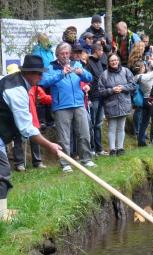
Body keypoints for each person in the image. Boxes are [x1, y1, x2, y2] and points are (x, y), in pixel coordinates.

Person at [0, 55, 62, 219]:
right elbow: (27, 129)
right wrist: (50, 145)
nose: (41, 77)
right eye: (39, 73)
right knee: (1, 167)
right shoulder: (17, 90)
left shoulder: (14, 79)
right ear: (29, 73)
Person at [40, 42, 94, 173]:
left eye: (67, 53)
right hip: (61, 106)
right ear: (57, 54)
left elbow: (90, 77)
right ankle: (65, 163)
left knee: (84, 133)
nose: (65, 56)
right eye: (62, 53)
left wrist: (82, 73)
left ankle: (86, 159)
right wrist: (61, 74)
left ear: (70, 54)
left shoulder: (76, 63)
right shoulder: (51, 66)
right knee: (64, 137)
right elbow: (44, 82)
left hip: (79, 104)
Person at [6, 64, 49, 171]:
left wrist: (56, 99)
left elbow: (44, 97)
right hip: (16, 117)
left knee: (35, 138)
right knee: (18, 140)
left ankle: (37, 161)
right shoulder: (10, 88)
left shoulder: (33, 86)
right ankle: (19, 163)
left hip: (32, 116)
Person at [97, 53, 136, 155]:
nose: (114, 62)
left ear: (118, 61)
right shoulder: (104, 74)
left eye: (116, 60)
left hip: (124, 103)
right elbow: (100, 91)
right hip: (110, 104)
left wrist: (123, 88)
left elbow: (133, 85)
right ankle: (112, 149)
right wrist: (112, 90)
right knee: (112, 127)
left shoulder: (126, 71)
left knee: (121, 127)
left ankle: (120, 148)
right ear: (108, 63)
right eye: (112, 61)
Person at [84, 43, 108, 156]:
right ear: (96, 51)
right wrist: (87, 96)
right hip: (93, 97)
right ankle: (92, 148)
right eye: (101, 50)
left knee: (98, 124)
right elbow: (88, 81)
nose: (102, 52)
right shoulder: (89, 63)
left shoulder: (99, 62)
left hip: (101, 96)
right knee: (92, 123)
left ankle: (99, 148)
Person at [132, 58, 153, 146]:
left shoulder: (136, 77)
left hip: (145, 100)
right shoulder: (144, 77)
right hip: (151, 99)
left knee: (144, 121)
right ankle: (152, 140)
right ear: (141, 68)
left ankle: (141, 141)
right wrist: (152, 62)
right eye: (144, 66)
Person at [127, 41, 147, 137]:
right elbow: (136, 72)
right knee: (139, 108)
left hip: (141, 84)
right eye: (142, 47)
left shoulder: (137, 58)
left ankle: (141, 130)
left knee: (142, 109)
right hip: (137, 86)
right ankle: (137, 131)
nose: (144, 49)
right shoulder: (135, 60)